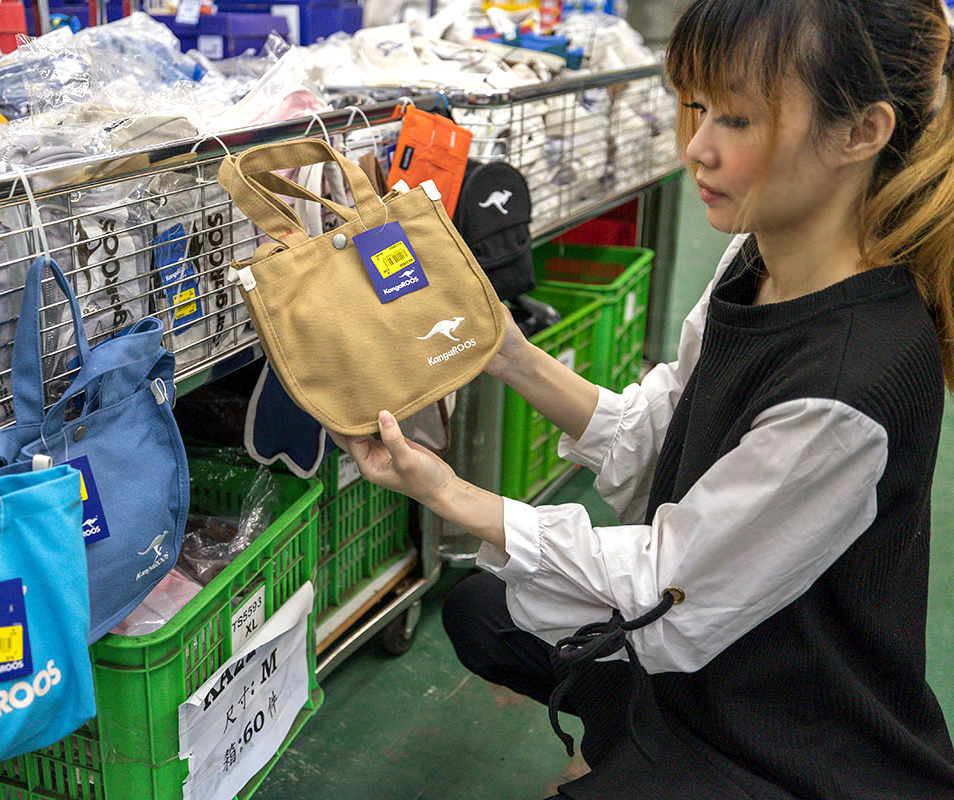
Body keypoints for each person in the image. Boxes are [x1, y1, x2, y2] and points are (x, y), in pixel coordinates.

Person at [329, 0, 954, 797]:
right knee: (484, 612)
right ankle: (624, 738)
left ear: (861, 132)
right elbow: (663, 434)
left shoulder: (848, 384)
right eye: (697, 107)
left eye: (738, 118)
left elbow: (667, 591)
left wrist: (451, 494)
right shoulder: (755, 257)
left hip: (779, 728)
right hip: (708, 653)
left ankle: (637, 752)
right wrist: (505, 351)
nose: (697, 147)